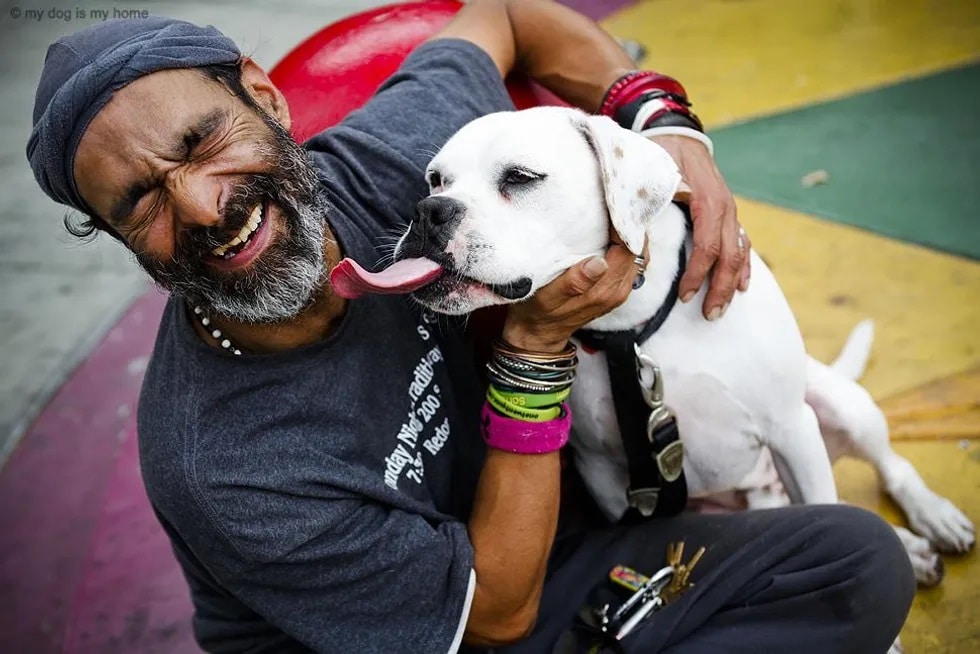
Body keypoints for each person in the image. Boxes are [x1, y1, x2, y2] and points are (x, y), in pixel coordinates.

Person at [26, 1, 913, 652]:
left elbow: (504, 16)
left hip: (554, 537)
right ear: (118, 240)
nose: (204, 207)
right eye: (140, 202)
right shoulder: (224, 463)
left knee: (854, 563)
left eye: (200, 142)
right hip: (461, 620)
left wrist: (661, 120)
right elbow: (495, 613)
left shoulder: (376, 166)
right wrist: (534, 348)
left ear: (265, 97)